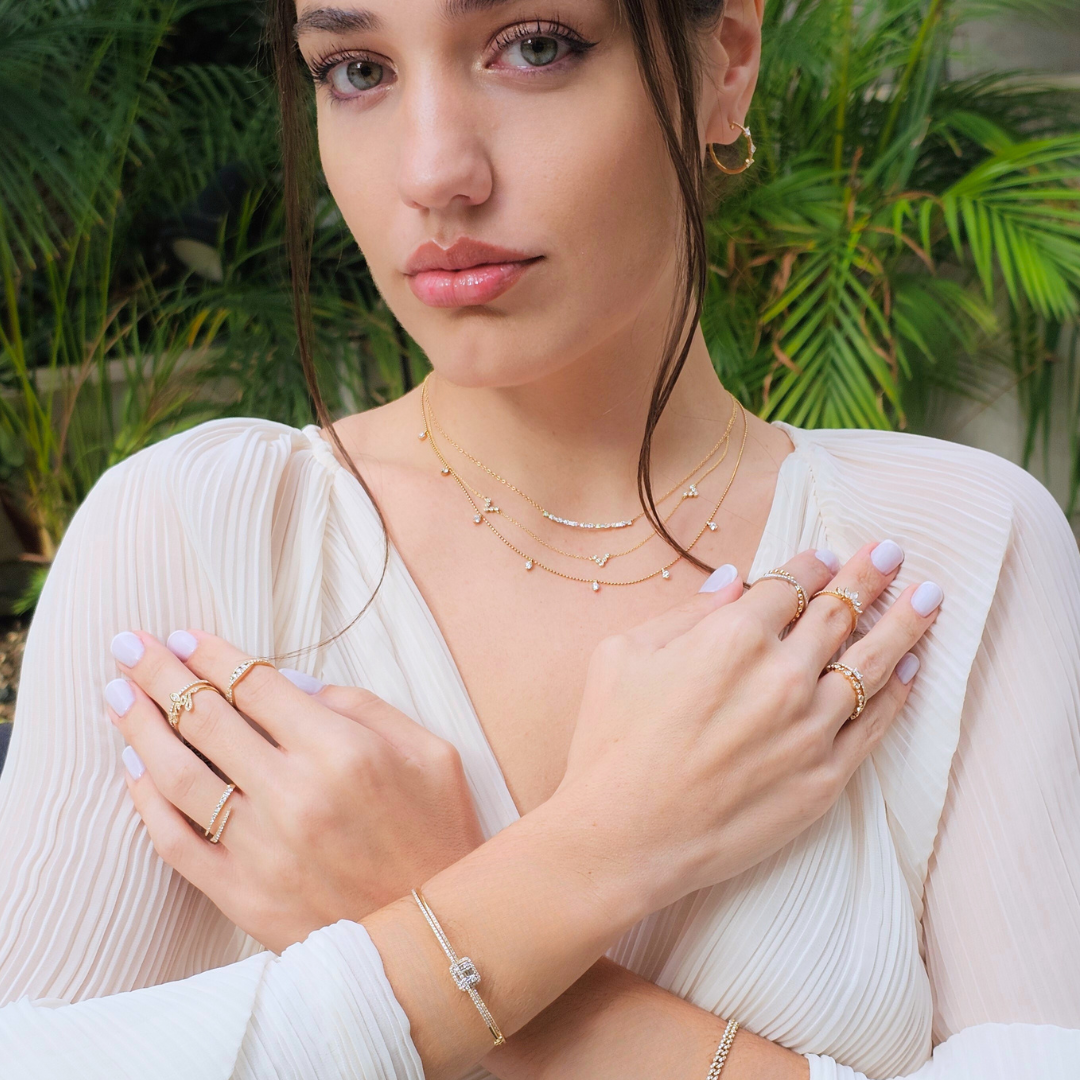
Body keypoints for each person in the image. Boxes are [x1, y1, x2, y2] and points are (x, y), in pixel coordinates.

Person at [0, 1, 1078, 1078]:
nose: (434, 173)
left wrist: (432, 923)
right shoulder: (193, 535)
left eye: (534, 47)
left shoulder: (956, 551)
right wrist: (602, 851)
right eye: (358, 70)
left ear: (728, 58)